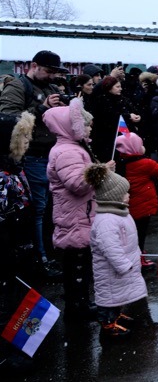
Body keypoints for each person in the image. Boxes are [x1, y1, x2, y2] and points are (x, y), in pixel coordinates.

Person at [0, 50, 69, 280]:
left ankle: (47, 253)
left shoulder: (49, 87)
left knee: (50, 208)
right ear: (34, 65)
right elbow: (8, 119)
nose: (51, 76)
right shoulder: (19, 87)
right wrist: (41, 109)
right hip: (32, 156)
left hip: (51, 155)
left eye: (54, 72)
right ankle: (40, 260)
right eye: (48, 71)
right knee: (38, 210)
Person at [43, 97, 106, 322]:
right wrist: (101, 171)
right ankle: (77, 307)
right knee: (77, 263)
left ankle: (79, 302)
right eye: (86, 125)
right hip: (75, 216)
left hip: (79, 214)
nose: (89, 129)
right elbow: (78, 185)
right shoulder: (68, 152)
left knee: (79, 262)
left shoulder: (70, 148)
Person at [84, 163, 147, 338]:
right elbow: (110, 248)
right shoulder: (107, 221)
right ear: (114, 196)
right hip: (112, 269)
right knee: (108, 297)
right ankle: (107, 325)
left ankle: (116, 315)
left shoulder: (119, 213)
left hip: (121, 268)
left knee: (117, 295)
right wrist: (123, 265)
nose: (128, 195)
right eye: (125, 193)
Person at [0, 112, 37, 375]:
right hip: (5, 250)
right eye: (21, 137)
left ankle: (14, 345)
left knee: (14, 300)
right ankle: (3, 357)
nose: (27, 142)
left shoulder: (15, 167)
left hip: (18, 247)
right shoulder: (1, 175)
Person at [114, 132, 158, 265]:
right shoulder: (145, 163)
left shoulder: (120, 163)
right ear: (135, 148)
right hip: (143, 206)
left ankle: (134, 257)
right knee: (140, 235)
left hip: (127, 204)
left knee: (131, 234)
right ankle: (139, 259)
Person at [87, 76, 141, 163]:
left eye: (120, 86)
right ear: (109, 87)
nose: (121, 89)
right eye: (117, 87)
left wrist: (136, 117)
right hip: (108, 137)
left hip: (125, 134)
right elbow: (109, 116)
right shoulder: (101, 100)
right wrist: (128, 116)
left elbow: (133, 110)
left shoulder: (122, 98)